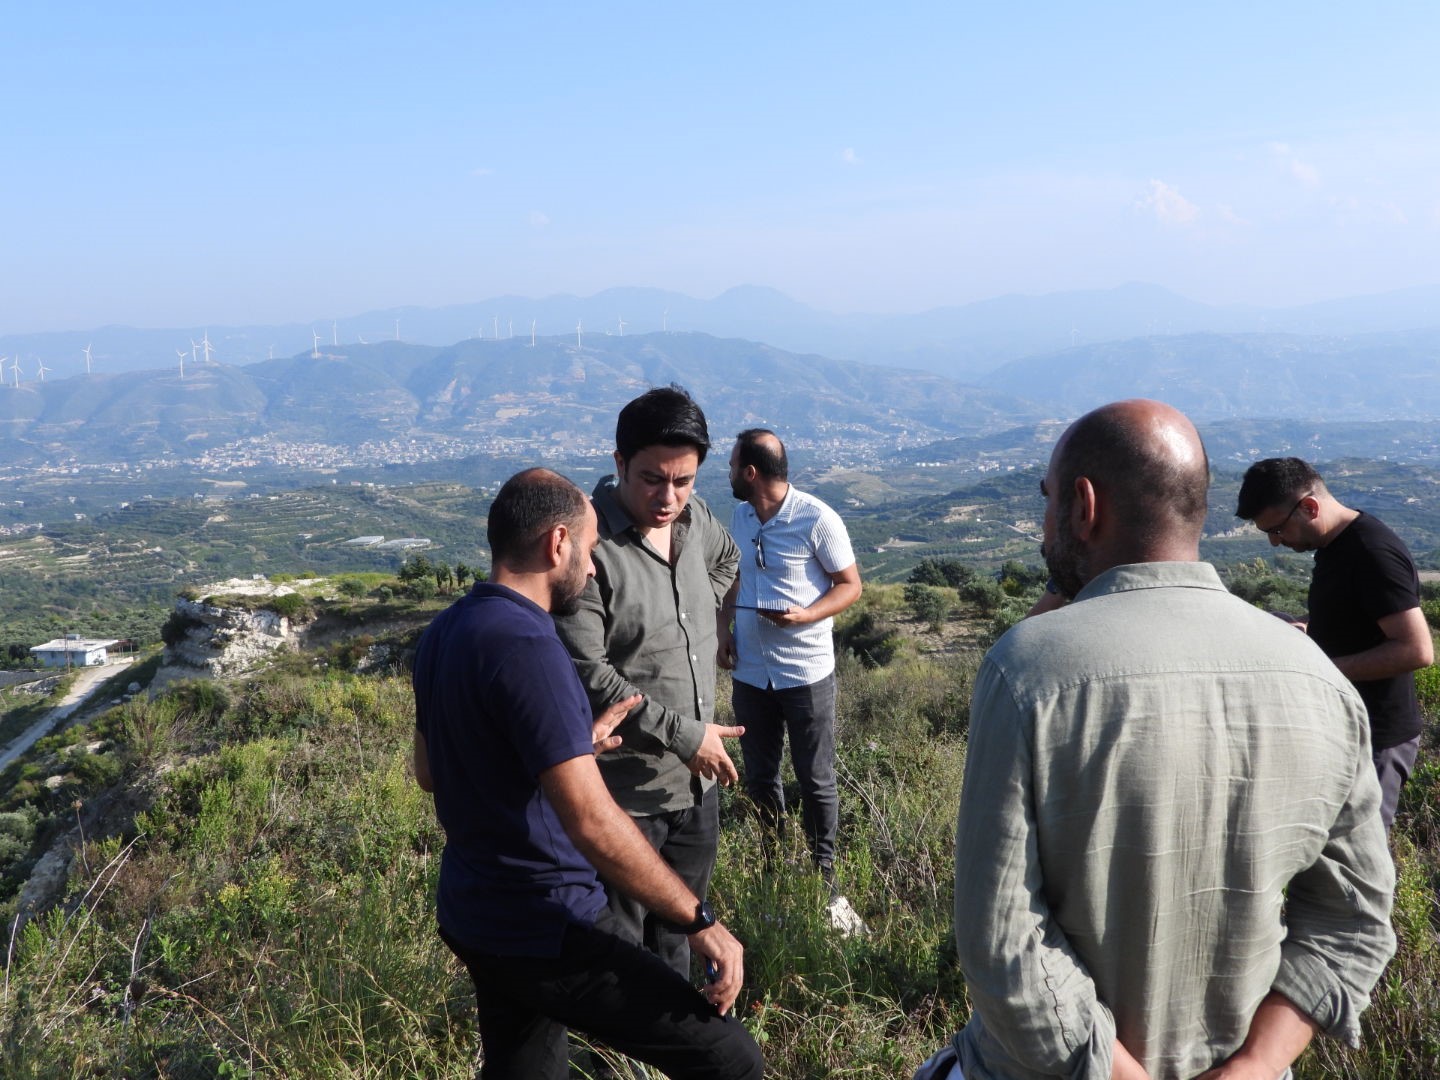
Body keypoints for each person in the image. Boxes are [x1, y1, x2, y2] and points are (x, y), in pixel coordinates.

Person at [936, 401, 1396, 1080]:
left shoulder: (1028, 669)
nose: (1043, 527)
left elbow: (1002, 943)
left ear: (1084, 506)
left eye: (1047, 501)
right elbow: (1353, 920)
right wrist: (1253, 1067)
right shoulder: (1317, 680)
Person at [412, 468, 762, 1080]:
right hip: (548, 923)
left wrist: (568, 748)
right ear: (557, 544)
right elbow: (594, 824)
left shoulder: (447, 629)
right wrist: (700, 922)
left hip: (474, 915)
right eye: (592, 547)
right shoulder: (531, 645)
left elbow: (429, 772)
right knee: (728, 1058)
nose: (595, 568)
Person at [553, 385, 743, 981]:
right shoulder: (592, 551)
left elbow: (727, 560)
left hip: (694, 792)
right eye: (652, 479)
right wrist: (686, 735)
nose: (668, 497)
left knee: (682, 946)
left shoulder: (698, 520)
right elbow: (590, 674)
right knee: (622, 957)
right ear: (618, 465)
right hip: (624, 800)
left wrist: (686, 612)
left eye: (683, 481)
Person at [1236, 456, 1434, 831]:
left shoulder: (1371, 553)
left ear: (1309, 507)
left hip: (1377, 737)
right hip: (1348, 730)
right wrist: (1306, 629)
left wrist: (1315, 668)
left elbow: (1416, 650)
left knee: (1359, 862)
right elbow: (1356, 621)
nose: (1275, 543)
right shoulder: (1336, 547)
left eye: (1277, 529)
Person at [718, 429, 863, 930]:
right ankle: (774, 874)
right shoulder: (738, 518)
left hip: (805, 673)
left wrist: (806, 616)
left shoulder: (817, 518)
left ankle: (827, 889)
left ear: (751, 472)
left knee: (816, 779)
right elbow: (731, 580)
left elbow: (851, 585)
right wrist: (724, 631)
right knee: (760, 778)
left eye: (733, 464)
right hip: (752, 674)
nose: (729, 472)